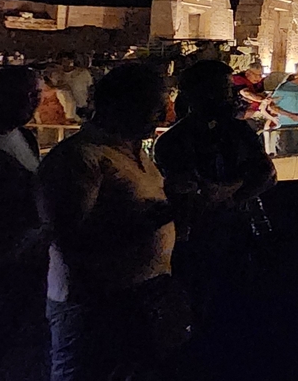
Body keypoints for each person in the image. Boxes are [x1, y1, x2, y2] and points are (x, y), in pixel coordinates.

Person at [38, 63, 190, 380]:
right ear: (122, 104)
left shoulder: (136, 153)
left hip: (143, 295)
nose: (163, 116)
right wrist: (163, 214)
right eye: (154, 107)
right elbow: (71, 239)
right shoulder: (80, 157)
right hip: (93, 305)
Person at [153, 61, 276, 353]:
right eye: (221, 90)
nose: (228, 96)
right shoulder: (176, 141)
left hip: (237, 233)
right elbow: (188, 190)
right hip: (200, 238)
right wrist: (232, 192)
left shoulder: (236, 132)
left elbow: (267, 174)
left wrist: (230, 195)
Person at [0, 67, 48, 381]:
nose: (31, 103)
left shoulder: (26, 137)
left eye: (36, 95)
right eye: (23, 95)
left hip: (24, 258)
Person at [269, 67, 298, 156]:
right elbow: (272, 106)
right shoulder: (283, 88)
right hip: (285, 126)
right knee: (285, 152)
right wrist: (290, 115)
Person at [232, 62, 270, 129]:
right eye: (255, 75)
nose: (259, 78)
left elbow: (260, 94)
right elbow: (246, 93)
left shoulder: (259, 83)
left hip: (252, 113)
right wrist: (262, 100)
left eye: (260, 75)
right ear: (247, 73)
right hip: (236, 111)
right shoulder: (238, 79)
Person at [57, 52, 95, 120]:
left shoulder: (83, 73)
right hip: (64, 108)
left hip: (82, 106)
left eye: (69, 60)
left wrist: (91, 102)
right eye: (64, 61)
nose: (66, 63)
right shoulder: (57, 74)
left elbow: (91, 88)